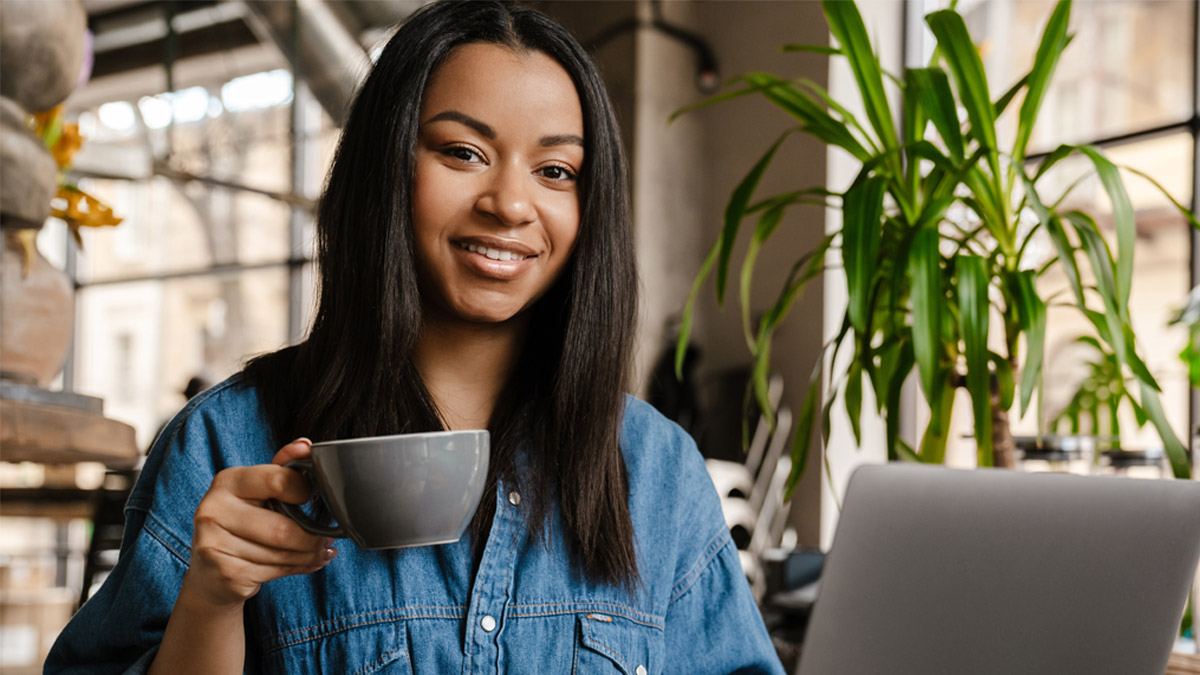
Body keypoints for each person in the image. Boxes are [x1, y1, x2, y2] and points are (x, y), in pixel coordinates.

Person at [45, 2, 784, 673]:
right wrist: (210, 598)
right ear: (387, 168)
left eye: (555, 170)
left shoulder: (655, 470)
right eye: (463, 152)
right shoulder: (226, 441)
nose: (510, 203)